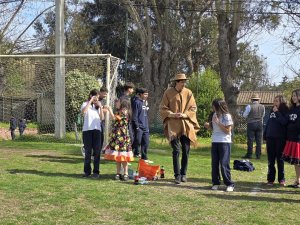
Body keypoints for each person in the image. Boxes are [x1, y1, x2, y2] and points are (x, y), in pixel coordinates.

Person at [159, 73, 200, 184]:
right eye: (182, 82)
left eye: (184, 82)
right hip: (173, 126)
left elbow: (193, 108)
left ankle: (183, 174)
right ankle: (177, 175)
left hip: (186, 126)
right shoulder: (168, 92)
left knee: (186, 151)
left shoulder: (189, 92)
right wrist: (172, 114)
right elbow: (162, 108)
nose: (183, 83)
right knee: (176, 150)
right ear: (176, 82)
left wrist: (185, 115)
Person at [204, 99, 235, 192]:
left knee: (224, 164)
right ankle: (216, 182)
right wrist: (208, 126)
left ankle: (229, 184)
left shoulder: (227, 116)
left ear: (218, 106)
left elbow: (227, 130)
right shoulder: (214, 115)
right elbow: (213, 128)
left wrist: (218, 122)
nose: (212, 107)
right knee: (214, 163)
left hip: (224, 142)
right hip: (215, 141)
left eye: (213, 105)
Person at [104, 99, 134, 181]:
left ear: (122, 104)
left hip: (122, 138)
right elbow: (115, 122)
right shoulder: (118, 111)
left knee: (124, 157)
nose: (116, 104)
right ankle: (118, 173)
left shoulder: (124, 111)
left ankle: (126, 173)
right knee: (118, 157)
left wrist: (109, 110)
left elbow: (115, 118)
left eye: (117, 103)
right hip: (117, 137)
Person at [263, 95, 289, 186]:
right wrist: (265, 135)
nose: (275, 103)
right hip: (270, 138)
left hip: (280, 139)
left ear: (281, 102)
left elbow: (284, 122)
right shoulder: (271, 111)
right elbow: (269, 123)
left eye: (277, 101)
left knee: (280, 160)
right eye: (274, 101)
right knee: (271, 160)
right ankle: (270, 179)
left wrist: (277, 112)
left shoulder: (285, 111)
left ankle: (281, 179)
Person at [81, 89, 104, 178]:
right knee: (88, 152)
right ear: (91, 95)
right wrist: (90, 101)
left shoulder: (97, 107)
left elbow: (102, 118)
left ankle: (96, 172)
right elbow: (84, 112)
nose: (96, 99)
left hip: (97, 131)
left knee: (97, 152)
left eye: (98, 98)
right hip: (87, 131)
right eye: (95, 97)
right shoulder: (85, 104)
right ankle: (87, 171)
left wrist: (101, 107)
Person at [282, 89, 300, 188]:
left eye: (295, 95)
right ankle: (298, 181)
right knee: (296, 163)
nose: (293, 97)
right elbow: (286, 121)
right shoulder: (292, 109)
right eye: (293, 96)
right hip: (291, 138)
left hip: (298, 139)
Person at [242, 93, 265, 159]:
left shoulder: (249, 106)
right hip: (260, 124)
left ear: (252, 100)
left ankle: (249, 154)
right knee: (259, 140)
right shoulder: (262, 106)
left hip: (251, 124)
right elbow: (263, 115)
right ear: (258, 100)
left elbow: (244, 115)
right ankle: (258, 155)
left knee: (250, 140)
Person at [131, 88, 152, 162]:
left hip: (145, 126)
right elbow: (135, 115)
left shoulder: (145, 102)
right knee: (137, 141)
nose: (147, 95)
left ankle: (144, 157)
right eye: (145, 94)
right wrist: (136, 126)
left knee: (146, 142)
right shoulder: (136, 102)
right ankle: (129, 153)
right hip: (139, 126)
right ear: (140, 94)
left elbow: (145, 114)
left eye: (147, 94)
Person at [98, 86, 108, 152]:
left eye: (106, 94)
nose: (105, 95)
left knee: (101, 135)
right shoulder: (96, 99)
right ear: (100, 92)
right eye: (104, 94)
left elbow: (105, 110)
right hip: (95, 121)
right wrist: (102, 109)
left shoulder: (104, 101)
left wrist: (102, 109)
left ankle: (99, 150)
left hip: (102, 121)